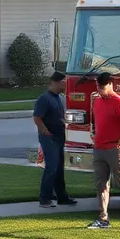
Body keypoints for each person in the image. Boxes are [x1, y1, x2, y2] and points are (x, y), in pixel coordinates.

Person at [86, 73, 120, 230]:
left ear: (110, 84)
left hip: (114, 148)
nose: (100, 91)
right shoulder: (97, 101)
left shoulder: (119, 102)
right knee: (101, 183)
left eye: (102, 87)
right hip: (99, 148)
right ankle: (103, 219)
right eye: (98, 87)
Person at [33, 71, 77, 208]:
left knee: (59, 168)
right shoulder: (44, 99)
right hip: (49, 138)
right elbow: (37, 118)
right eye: (64, 82)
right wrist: (45, 132)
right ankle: (44, 198)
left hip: (59, 137)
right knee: (51, 167)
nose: (66, 84)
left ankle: (62, 197)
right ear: (55, 82)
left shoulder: (60, 98)